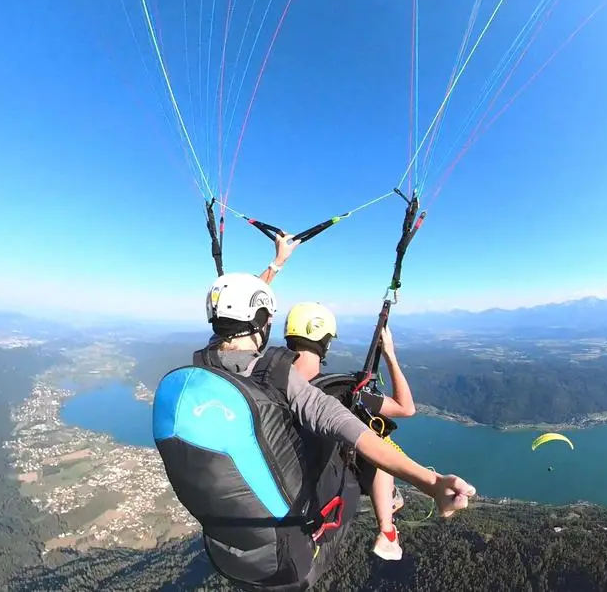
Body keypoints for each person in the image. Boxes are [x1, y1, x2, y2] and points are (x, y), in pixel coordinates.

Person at [154, 234, 476, 592]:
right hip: (294, 559)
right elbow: (349, 427)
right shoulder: (282, 377)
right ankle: (387, 525)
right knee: (368, 440)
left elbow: (234, 312)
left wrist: (276, 264)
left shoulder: (208, 366)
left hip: (229, 557)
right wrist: (431, 483)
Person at [283, 302, 416, 561]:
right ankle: (387, 531)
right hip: (328, 494)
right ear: (325, 342)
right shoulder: (344, 392)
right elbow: (406, 407)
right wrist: (389, 355)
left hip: (287, 489)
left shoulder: (270, 385)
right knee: (377, 433)